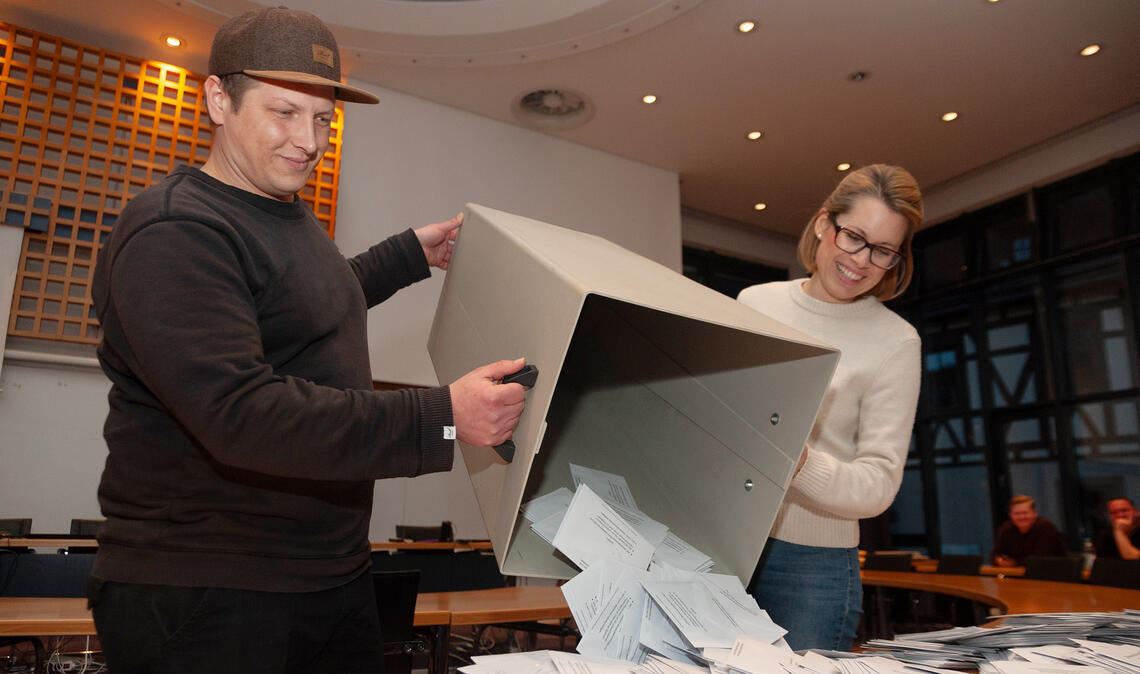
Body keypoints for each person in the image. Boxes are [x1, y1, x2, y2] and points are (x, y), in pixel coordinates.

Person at [87, 7, 527, 673]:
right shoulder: (174, 231)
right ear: (217, 99)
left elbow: (305, 302)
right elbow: (240, 414)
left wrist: (409, 254)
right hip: (211, 589)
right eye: (285, 112)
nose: (309, 140)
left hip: (328, 574)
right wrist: (442, 418)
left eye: (323, 119)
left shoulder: (285, 216)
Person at [738, 164, 923, 651]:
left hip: (813, 562)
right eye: (854, 237)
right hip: (724, 537)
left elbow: (879, 484)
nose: (861, 261)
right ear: (824, 223)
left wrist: (798, 464)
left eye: (883, 250)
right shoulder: (754, 303)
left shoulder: (897, 341)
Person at [991, 494, 1067, 566]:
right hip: (1018, 575)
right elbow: (995, 555)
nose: (1021, 517)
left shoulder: (1046, 527)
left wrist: (1013, 562)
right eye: (1017, 514)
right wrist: (999, 560)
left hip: (1054, 575)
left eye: (1025, 513)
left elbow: (1040, 560)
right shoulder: (1006, 529)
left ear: (1035, 513)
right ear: (1010, 515)